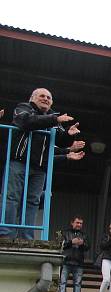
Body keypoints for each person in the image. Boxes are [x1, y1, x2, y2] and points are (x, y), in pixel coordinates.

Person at [0, 88, 84, 239]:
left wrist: (68, 134)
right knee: (12, 197)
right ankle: (7, 234)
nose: (46, 99)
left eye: (49, 97)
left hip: (40, 168)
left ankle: (27, 237)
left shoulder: (54, 116)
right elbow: (26, 122)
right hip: (19, 162)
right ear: (33, 98)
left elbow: (58, 141)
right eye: (42, 96)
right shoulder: (24, 108)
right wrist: (55, 120)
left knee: (33, 201)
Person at [58, 215, 89, 292]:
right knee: (63, 281)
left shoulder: (84, 235)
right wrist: (71, 242)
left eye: (81, 223)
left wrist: (82, 244)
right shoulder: (64, 233)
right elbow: (60, 245)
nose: (79, 225)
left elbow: (88, 247)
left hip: (79, 262)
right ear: (72, 223)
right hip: (66, 261)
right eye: (77, 222)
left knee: (78, 282)